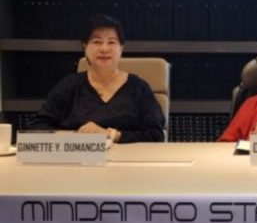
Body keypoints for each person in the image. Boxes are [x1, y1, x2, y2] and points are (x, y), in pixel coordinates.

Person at [28, 14, 165, 143]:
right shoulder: (69, 86)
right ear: (85, 47)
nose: (104, 49)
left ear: (121, 49)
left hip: (126, 163)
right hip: (80, 163)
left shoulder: (138, 88)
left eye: (111, 42)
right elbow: (36, 127)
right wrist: (76, 138)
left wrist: (111, 135)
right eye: (97, 42)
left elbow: (156, 134)